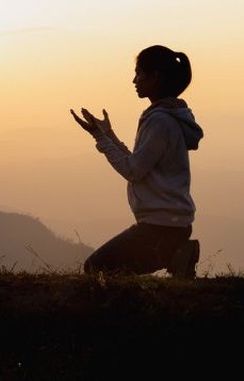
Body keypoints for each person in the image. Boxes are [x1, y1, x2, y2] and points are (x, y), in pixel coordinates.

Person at [70, 44, 204, 277]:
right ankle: (177, 253)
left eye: (139, 73)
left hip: (160, 228)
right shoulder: (168, 118)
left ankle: (174, 254)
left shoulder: (159, 121)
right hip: (172, 225)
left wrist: (100, 138)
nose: (134, 80)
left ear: (155, 77)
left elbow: (132, 170)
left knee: (95, 268)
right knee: (112, 268)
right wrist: (108, 135)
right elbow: (140, 162)